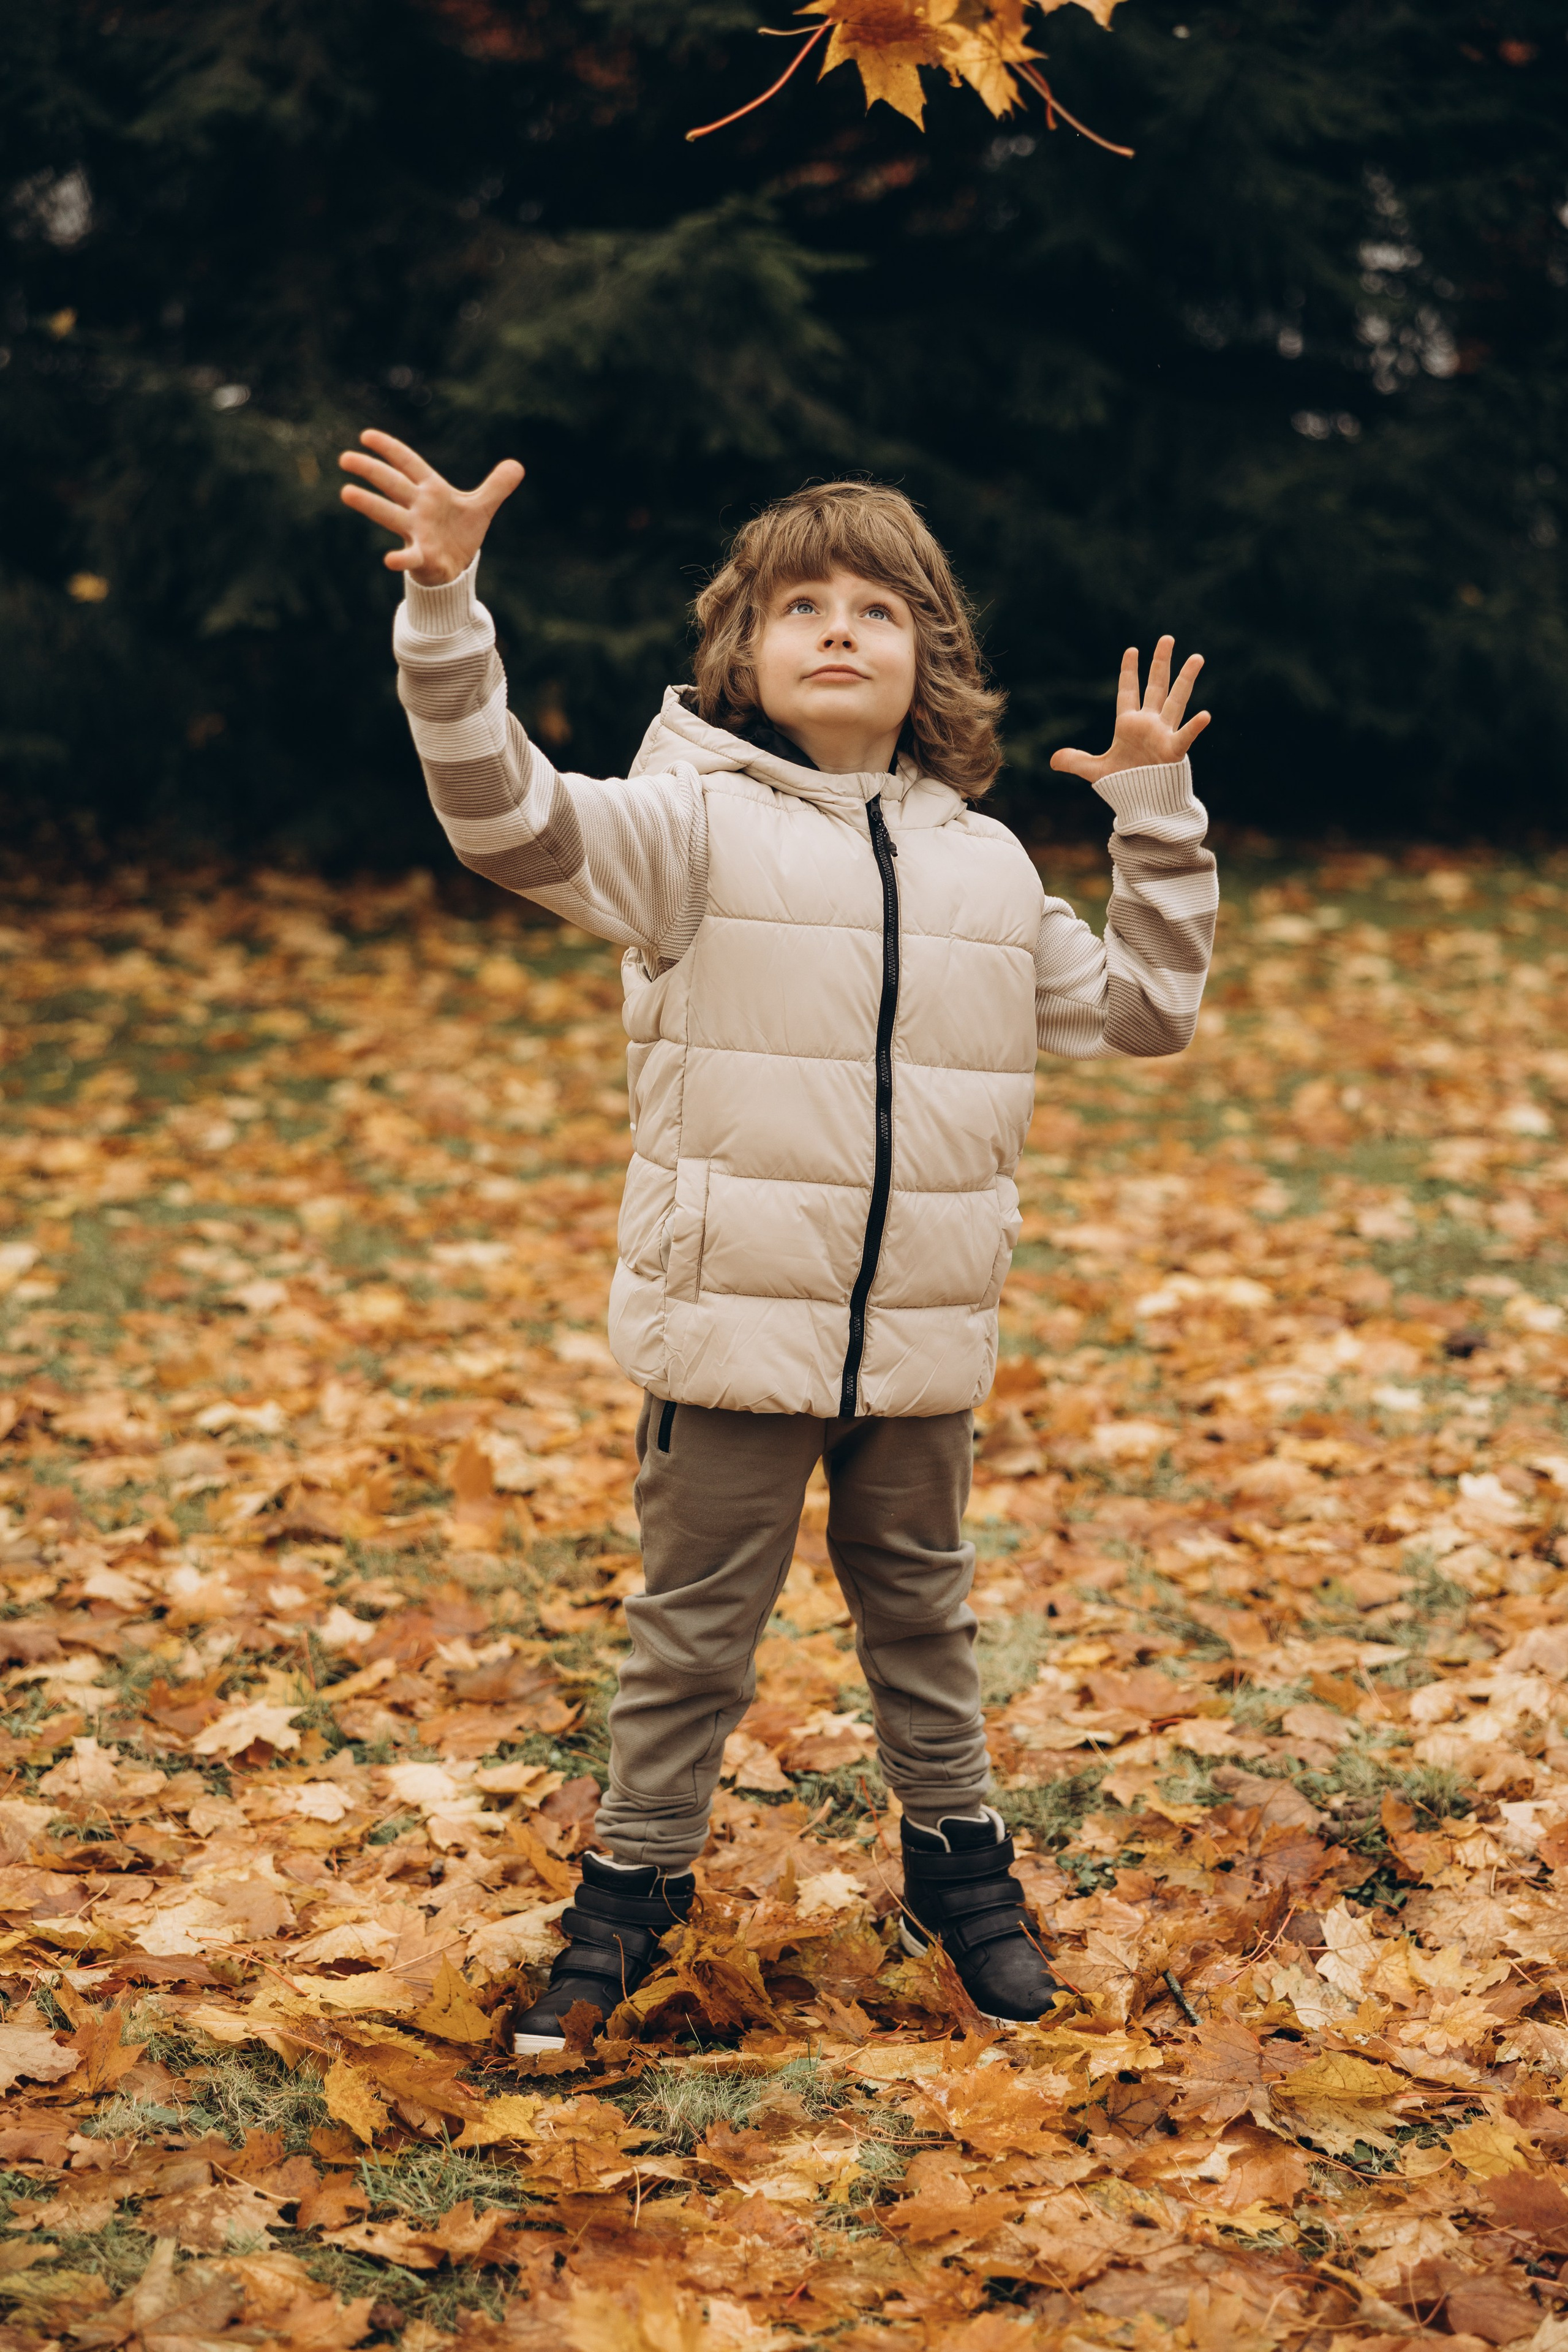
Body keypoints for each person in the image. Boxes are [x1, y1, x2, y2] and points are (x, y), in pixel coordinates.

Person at [340, 431, 1216, 2050]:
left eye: (875, 609)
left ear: (927, 657)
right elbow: (499, 815)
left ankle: (963, 1878)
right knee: (693, 1639)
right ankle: (628, 1895)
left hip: (924, 1342)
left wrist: (1158, 818)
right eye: (798, 603)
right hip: (731, 1337)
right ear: (743, 652)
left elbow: (1151, 1015)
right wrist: (447, 608)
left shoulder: (990, 866)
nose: (835, 628)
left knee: (927, 1624)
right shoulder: (688, 832)